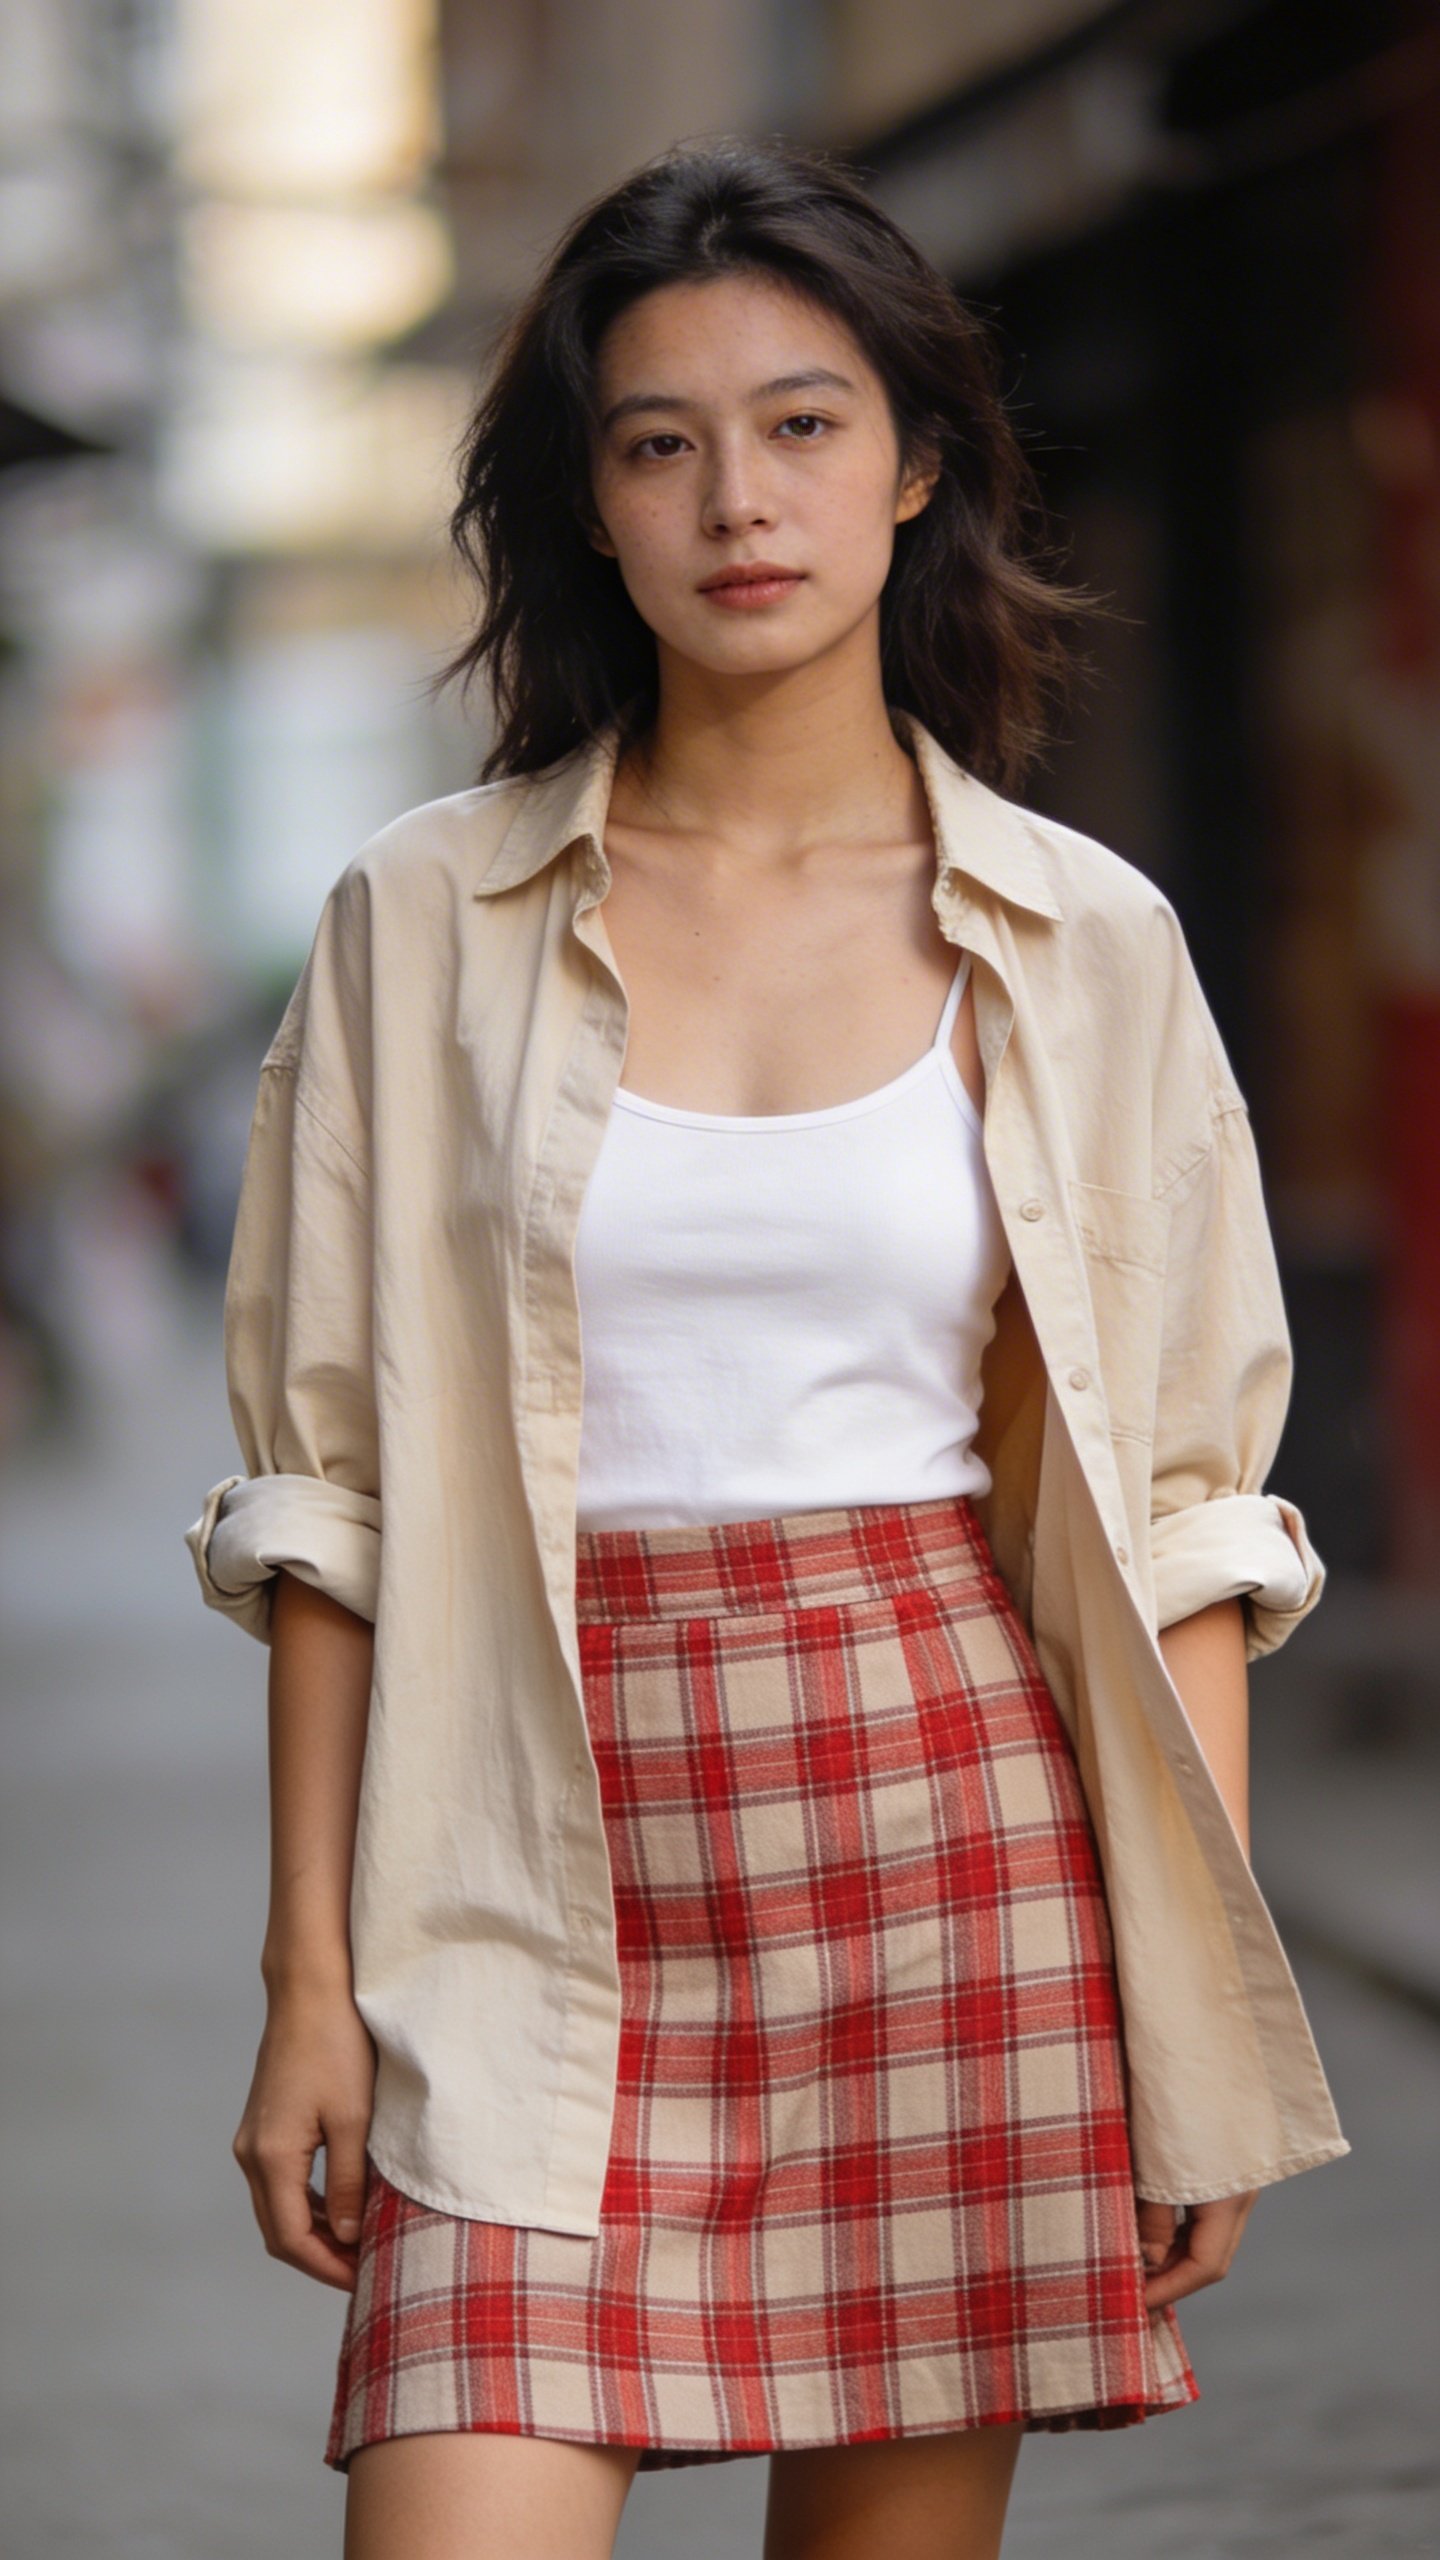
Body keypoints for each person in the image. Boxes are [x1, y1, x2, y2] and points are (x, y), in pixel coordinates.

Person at [185, 134, 1349, 2560]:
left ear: (918, 465)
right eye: (659, 440)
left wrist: (1186, 2006)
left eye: (805, 423)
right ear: (587, 507)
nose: (741, 499)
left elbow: (1183, 1524)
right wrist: (309, 1973)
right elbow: (332, 1495)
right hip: (520, 1839)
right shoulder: (422, 918)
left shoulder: (1084, 938)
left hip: (952, 1836)